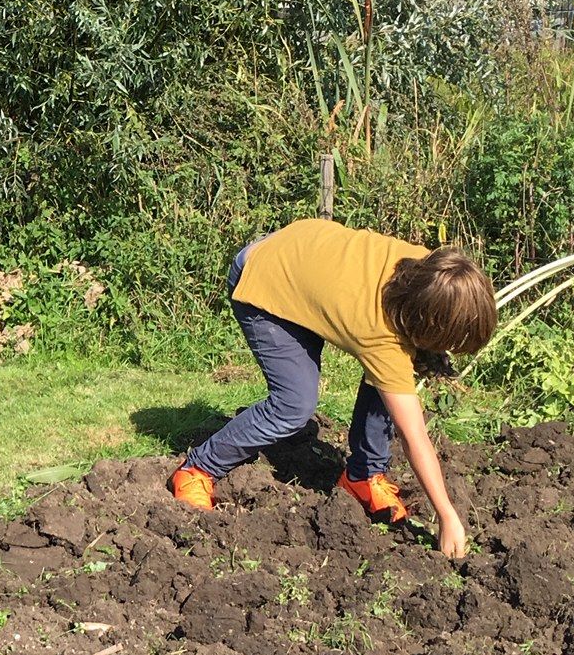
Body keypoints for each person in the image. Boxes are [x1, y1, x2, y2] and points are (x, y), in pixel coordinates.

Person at [169, 219, 496, 558]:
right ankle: (198, 468)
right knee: (293, 407)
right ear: (430, 320)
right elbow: (414, 436)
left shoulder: (430, 270)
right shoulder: (379, 334)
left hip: (305, 255)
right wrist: (446, 515)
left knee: (391, 377)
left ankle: (362, 477)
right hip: (263, 277)